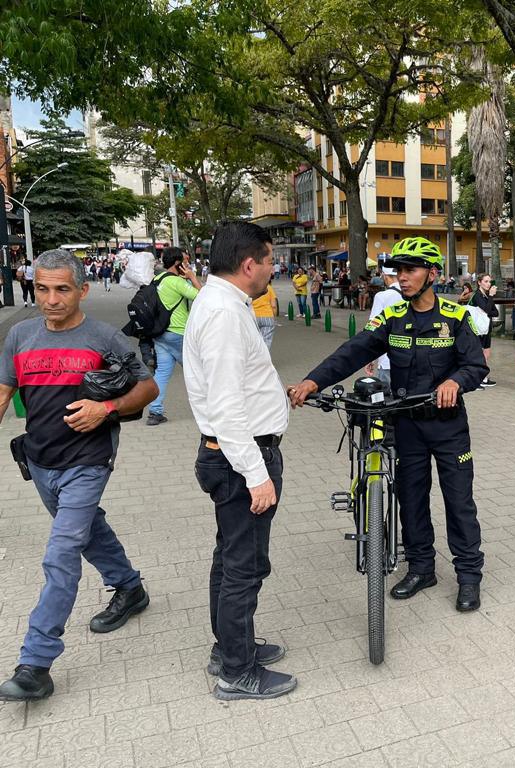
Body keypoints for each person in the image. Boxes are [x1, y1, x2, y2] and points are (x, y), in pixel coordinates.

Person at [289, 236, 488, 612]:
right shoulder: (392, 318)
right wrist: (313, 381)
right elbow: (353, 352)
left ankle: (469, 576)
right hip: (406, 423)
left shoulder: (456, 318)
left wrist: (453, 382)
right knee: (410, 499)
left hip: (448, 427)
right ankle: (421, 568)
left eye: (410, 270)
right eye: (398, 271)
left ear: (432, 273)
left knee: (459, 502)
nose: (402, 278)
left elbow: (476, 366)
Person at [0, 249, 158, 701]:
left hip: (88, 462)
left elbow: (147, 387)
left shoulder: (104, 338)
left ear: (82, 290)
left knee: (61, 552)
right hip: (40, 462)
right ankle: (130, 589)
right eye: (42, 289)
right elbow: (4, 391)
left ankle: (35, 662)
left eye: (62, 289)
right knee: (88, 531)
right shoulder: (19, 336)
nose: (50, 299)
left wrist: (106, 407)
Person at [183, 221, 294, 701]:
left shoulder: (224, 303)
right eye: (270, 260)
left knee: (229, 559)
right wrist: (257, 475)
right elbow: (227, 408)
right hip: (240, 458)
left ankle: (229, 646)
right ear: (249, 264)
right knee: (244, 567)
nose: (274, 268)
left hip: (233, 452)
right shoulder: (225, 314)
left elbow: (234, 388)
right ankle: (237, 671)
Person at [147, 247, 202, 426]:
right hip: (178, 333)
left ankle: (155, 411)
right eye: (185, 262)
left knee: (162, 372)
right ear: (178, 264)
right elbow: (204, 298)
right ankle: (208, 408)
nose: (187, 265)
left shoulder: (157, 280)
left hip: (160, 334)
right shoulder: (176, 283)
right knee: (198, 371)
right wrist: (193, 278)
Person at [363, 260, 404, 387]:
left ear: (385, 276)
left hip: (387, 360)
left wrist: (369, 358)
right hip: (410, 360)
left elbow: (373, 329)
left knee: (387, 401)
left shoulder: (382, 296)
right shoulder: (413, 295)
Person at [469, 274, 500, 387]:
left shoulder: (486, 296)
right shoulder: (477, 295)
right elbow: (488, 309)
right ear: (479, 282)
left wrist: (489, 299)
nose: (488, 284)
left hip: (486, 328)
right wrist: (491, 296)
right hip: (478, 329)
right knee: (478, 354)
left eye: (490, 281)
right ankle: (476, 379)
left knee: (486, 353)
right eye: (486, 281)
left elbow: (495, 312)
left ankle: (483, 378)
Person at [252, 282, 279, 348]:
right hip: (267, 316)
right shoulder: (269, 288)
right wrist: (274, 317)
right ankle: (264, 356)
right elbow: (274, 306)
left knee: (253, 340)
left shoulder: (250, 288)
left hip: (253, 316)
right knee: (266, 341)